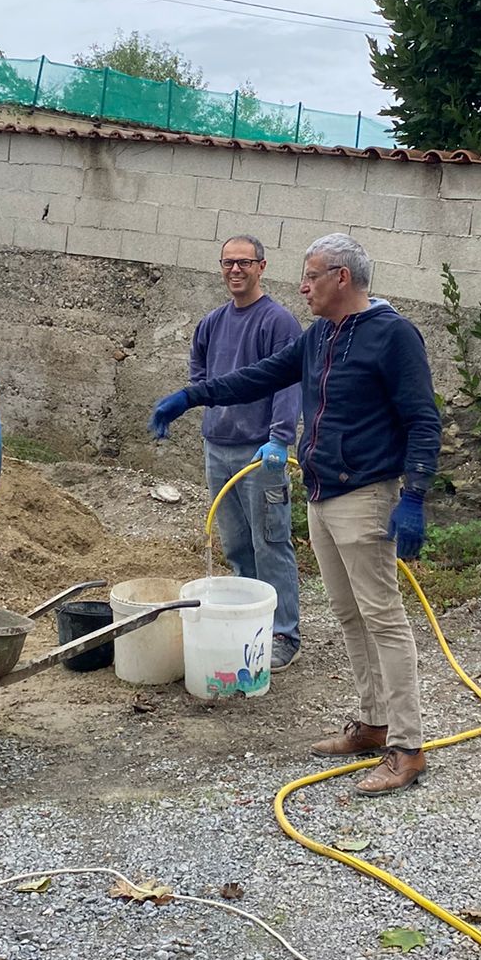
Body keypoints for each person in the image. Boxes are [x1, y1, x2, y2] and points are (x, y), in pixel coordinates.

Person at [151, 233, 439, 794]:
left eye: (311, 276)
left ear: (342, 278)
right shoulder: (320, 336)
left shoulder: (393, 335)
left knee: (383, 618)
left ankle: (408, 748)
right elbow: (260, 375)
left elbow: (423, 419)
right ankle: (373, 723)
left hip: (366, 496)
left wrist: (415, 496)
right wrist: (193, 396)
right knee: (349, 615)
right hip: (322, 493)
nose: (302, 286)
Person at [190, 236, 304, 672]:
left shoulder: (278, 323)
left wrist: (280, 437)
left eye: (244, 262)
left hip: (261, 454)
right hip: (217, 449)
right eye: (228, 263)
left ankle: (284, 634)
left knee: (270, 542)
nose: (235, 270)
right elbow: (199, 372)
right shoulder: (212, 323)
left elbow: (290, 383)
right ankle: (251, 622)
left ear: (262, 267)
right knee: (237, 545)